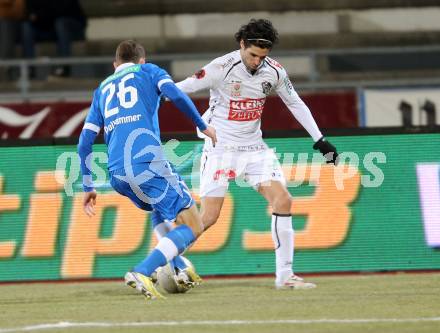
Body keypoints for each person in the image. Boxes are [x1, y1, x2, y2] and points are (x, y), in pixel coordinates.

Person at [154, 19, 339, 290]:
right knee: (207, 218)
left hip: (254, 150)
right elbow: (185, 87)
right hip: (220, 149)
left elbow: (295, 103)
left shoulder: (274, 72)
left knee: (283, 200)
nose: (256, 62)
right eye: (252, 55)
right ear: (242, 45)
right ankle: (162, 260)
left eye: (262, 56)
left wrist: (320, 139)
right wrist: (155, 94)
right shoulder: (220, 67)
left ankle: (285, 276)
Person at [77, 40, 216, 300]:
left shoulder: (102, 89)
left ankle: (176, 266)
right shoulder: (149, 71)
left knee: (159, 208)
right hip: (147, 163)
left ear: (115, 65)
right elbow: (174, 94)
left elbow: (84, 143)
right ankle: (143, 270)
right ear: (142, 60)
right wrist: (202, 125)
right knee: (194, 224)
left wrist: (88, 186)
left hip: (117, 174)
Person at [21, 0, 87, 77]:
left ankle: (64, 66)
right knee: (26, 27)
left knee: (60, 23)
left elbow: (61, 11)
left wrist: (39, 15)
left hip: (72, 29)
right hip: (47, 28)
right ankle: (29, 69)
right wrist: (38, 16)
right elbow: (29, 14)